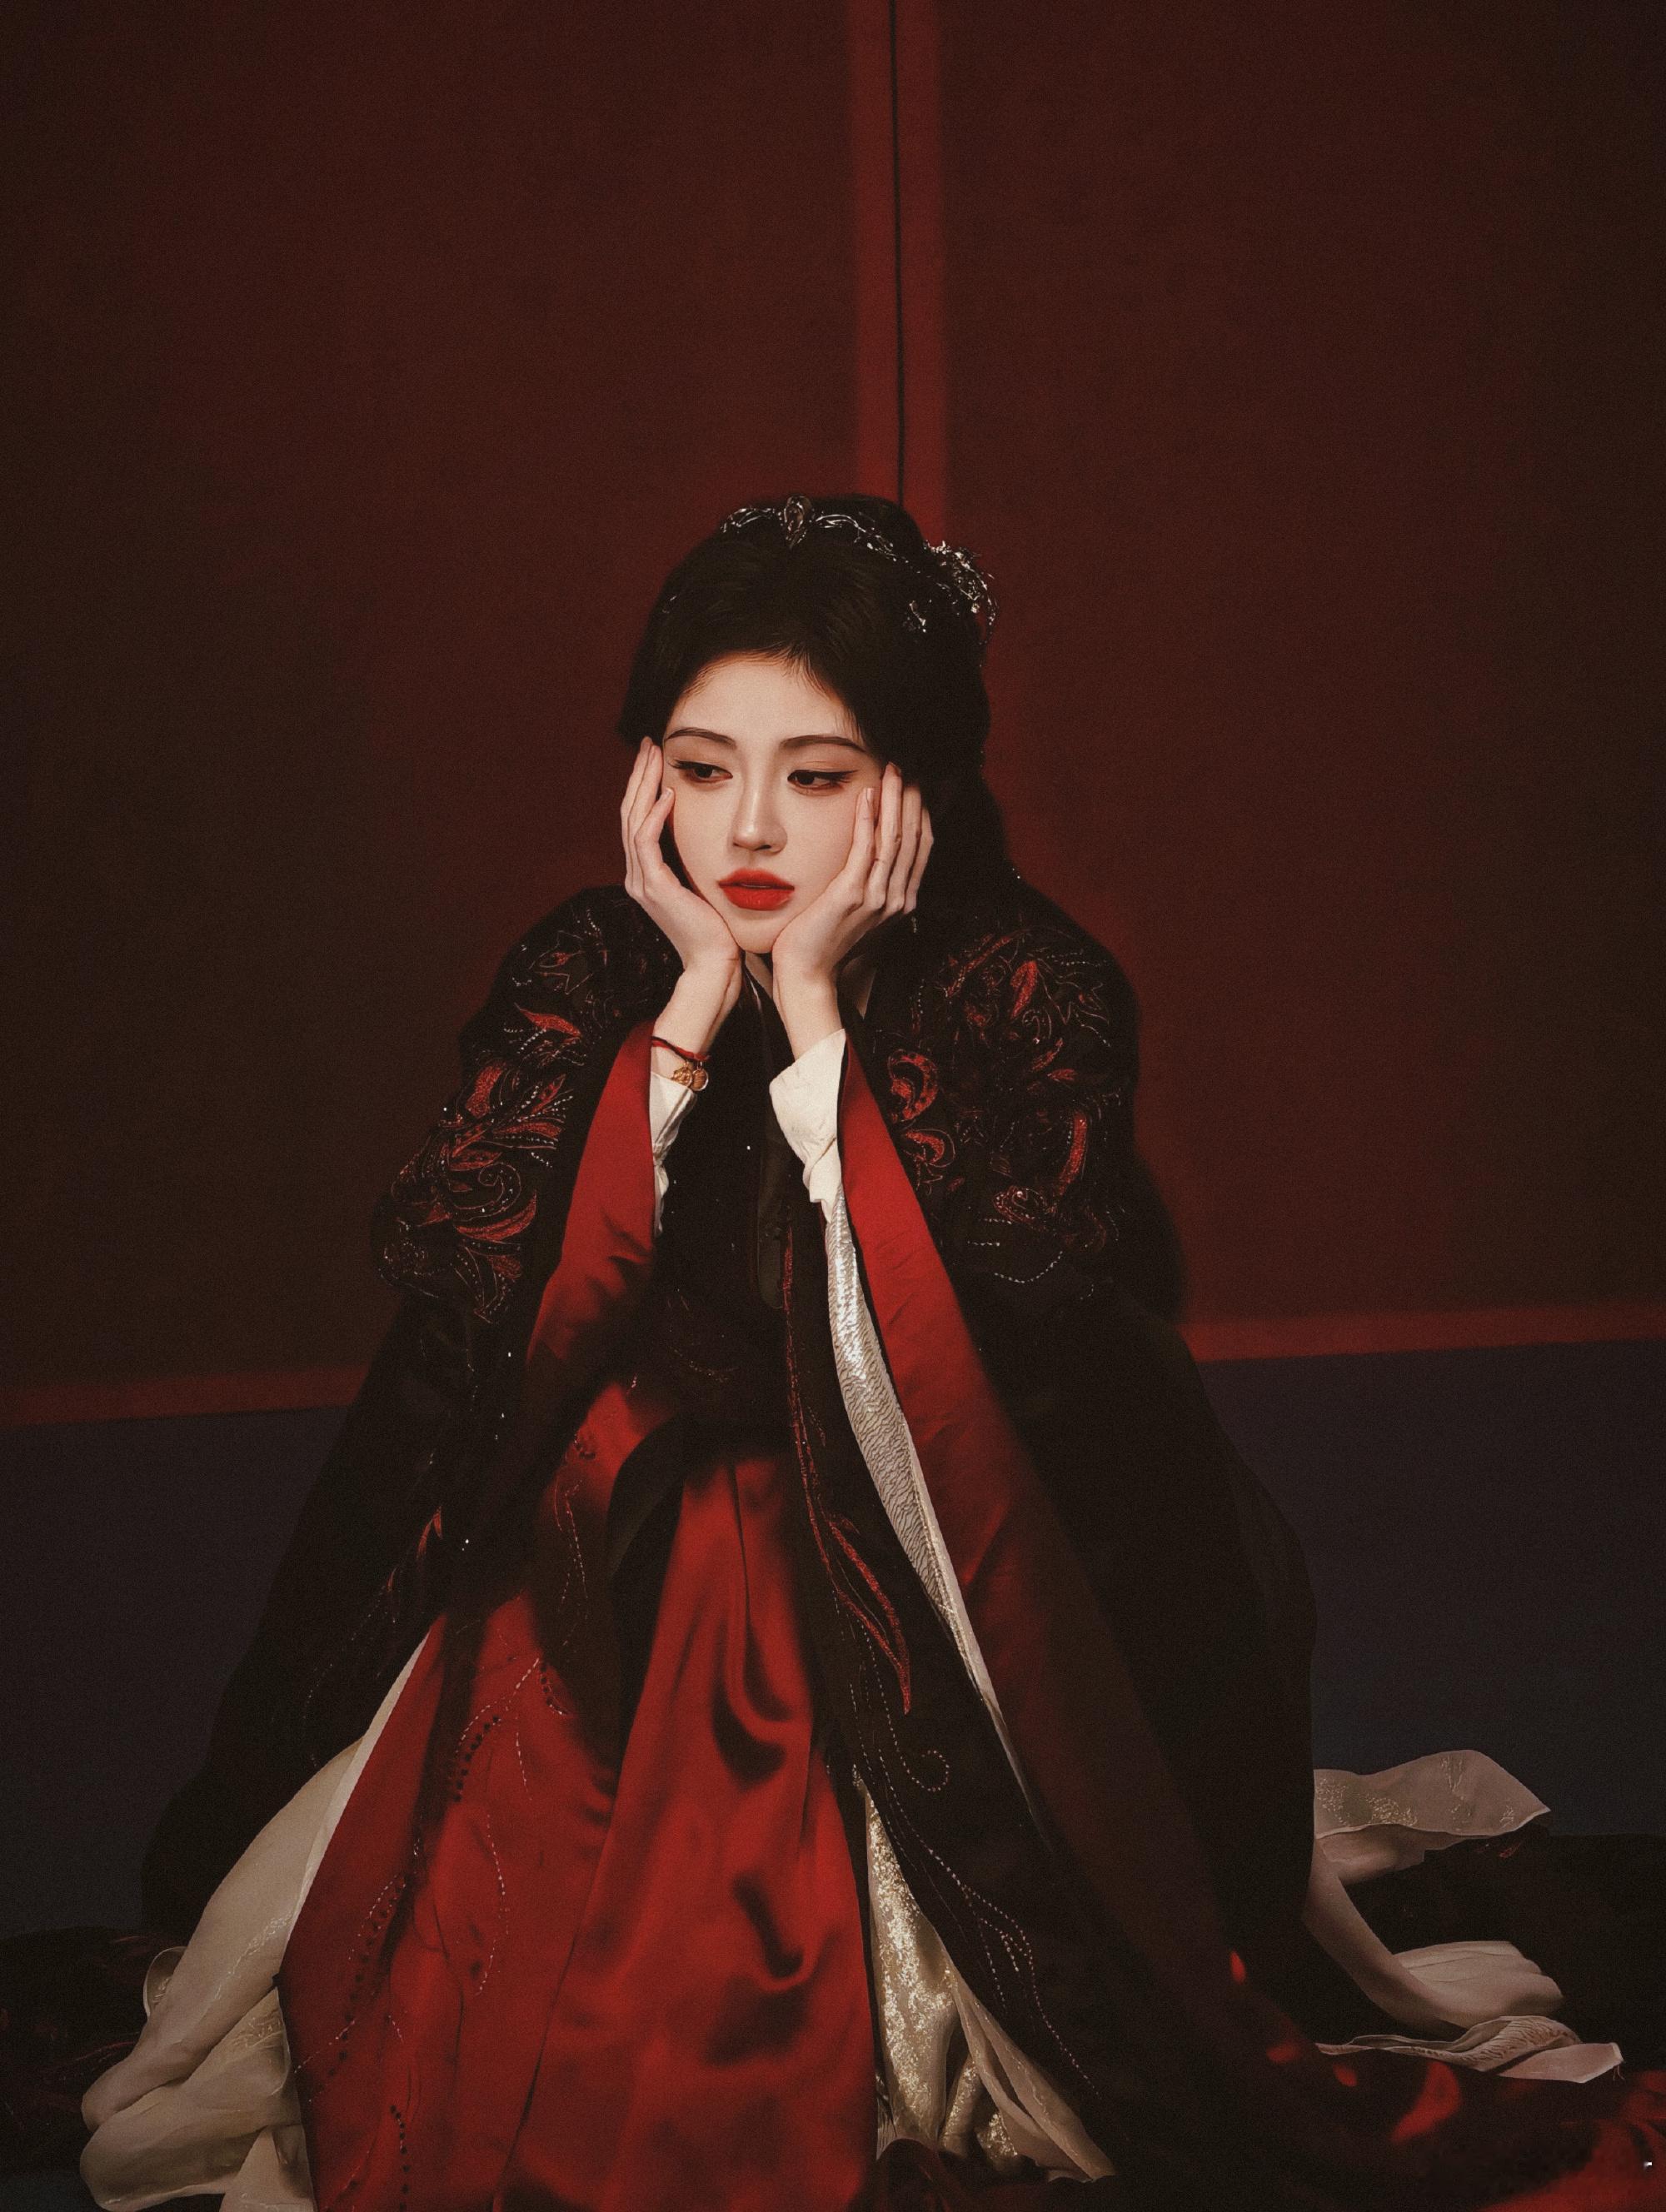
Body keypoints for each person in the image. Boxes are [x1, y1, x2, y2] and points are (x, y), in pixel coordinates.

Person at [67, 496, 1664, 2208]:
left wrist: (821, 1017)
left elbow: (998, 1367)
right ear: (646, 777)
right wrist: (690, 1012)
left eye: (816, 774)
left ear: (913, 785)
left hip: (924, 1583)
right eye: (702, 767)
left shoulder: (1018, 988)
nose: (749, 826)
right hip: (619, 1558)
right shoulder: (595, 963)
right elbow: (494, 1319)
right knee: (477, 1994)